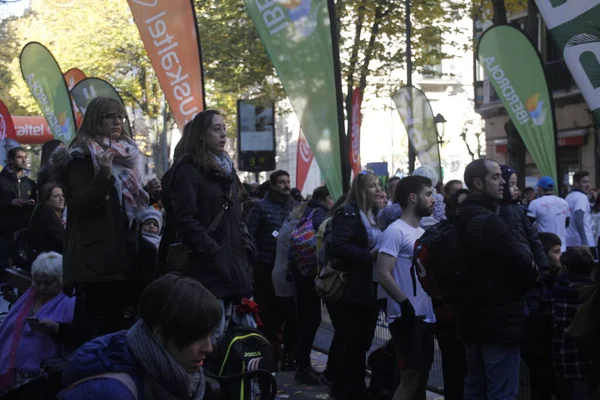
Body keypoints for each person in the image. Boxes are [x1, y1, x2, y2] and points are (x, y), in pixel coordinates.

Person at [56, 96, 157, 344]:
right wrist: (102, 175)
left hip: (122, 255)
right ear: (95, 118)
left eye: (120, 116)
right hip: (96, 261)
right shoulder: (81, 156)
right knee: (96, 330)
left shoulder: (124, 154)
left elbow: (121, 206)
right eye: (110, 116)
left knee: (117, 326)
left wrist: (150, 193)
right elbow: (80, 204)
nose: (117, 122)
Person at [60, 273, 221, 400]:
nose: (209, 347)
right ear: (160, 333)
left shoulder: (176, 375)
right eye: (196, 336)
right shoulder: (109, 393)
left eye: (210, 334)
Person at [457, 159, 538, 400]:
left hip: (471, 320)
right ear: (478, 183)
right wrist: (532, 273)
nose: (502, 181)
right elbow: (525, 266)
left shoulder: (461, 216)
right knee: (501, 393)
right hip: (499, 321)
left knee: (476, 390)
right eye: (495, 177)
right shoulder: (490, 222)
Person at [169, 110, 252, 339]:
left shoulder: (228, 170)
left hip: (233, 266)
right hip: (206, 268)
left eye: (224, 128)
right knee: (208, 337)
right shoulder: (189, 169)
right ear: (201, 135)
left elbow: (236, 217)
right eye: (217, 129)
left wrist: (245, 246)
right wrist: (213, 250)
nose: (223, 134)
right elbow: (184, 218)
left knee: (230, 337)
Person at [377, 176, 436, 400]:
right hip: (406, 318)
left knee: (421, 378)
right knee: (410, 378)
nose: (433, 199)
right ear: (413, 198)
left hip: (426, 316)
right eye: (428, 194)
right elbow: (383, 273)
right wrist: (404, 304)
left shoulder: (421, 233)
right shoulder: (395, 231)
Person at [327, 170, 382, 399]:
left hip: (370, 286)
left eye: (379, 185)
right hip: (355, 287)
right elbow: (338, 246)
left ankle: (347, 385)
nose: (378, 189)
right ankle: (350, 389)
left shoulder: (373, 213)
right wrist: (369, 255)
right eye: (372, 186)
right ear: (360, 190)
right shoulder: (349, 213)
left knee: (361, 340)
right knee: (355, 342)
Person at [0, 252, 76, 399]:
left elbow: (76, 337)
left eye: (48, 283)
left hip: (39, 378)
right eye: (38, 282)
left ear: (61, 280)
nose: (41, 288)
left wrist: (55, 328)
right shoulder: (30, 296)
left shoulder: (69, 302)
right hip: (12, 372)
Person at [246, 170, 296, 348]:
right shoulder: (260, 207)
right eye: (282, 182)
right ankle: (269, 347)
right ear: (273, 185)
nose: (286, 186)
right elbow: (249, 234)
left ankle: (287, 348)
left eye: (288, 181)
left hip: (287, 268)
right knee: (267, 309)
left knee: (288, 311)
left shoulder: (295, 207)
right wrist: (258, 258)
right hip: (266, 266)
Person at [292, 185, 333, 384]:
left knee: (306, 320)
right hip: (310, 275)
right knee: (310, 321)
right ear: (326, 198)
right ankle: (303, 367)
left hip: (301, 272)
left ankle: (302, 364)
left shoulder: (307, 212)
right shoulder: (320, 215)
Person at [546, 247, 597, 400]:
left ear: (566, 268)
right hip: (586, 364)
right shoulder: (592, 296)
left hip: (560, 361)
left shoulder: (555, 294)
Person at [271, 204, 304, 372]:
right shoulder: (296, 227)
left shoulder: (287, 224)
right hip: (288, 276)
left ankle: (287, 356)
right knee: (292, 320)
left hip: (280, 274)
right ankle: (289, 356)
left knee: (288, 319)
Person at [0, 146, 37, 267]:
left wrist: (31, 204)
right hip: (4, 234)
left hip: (24, 235)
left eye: (25, 157)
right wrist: (10, 203)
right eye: (19, 157)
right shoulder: (1, 181)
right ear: (10, 160)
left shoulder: (31, 183)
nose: (24, 160)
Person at [528, 176, 570, 253]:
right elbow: (566, 223)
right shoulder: (564, 202)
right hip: (562, 248)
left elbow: (528, 225)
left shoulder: (534, 204)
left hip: (545, 248)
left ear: (540, 188)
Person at [28, 183, 66, 258]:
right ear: (47, 201)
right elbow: (62, 241)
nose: (61, 199)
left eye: (62, 195)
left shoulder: (53, 213)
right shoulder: (46, 216)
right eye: (56, 196)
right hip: (47, 260)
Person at [565, 171, 596, 256]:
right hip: (584, 243)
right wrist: (585, 242)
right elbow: (579, 219)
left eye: (589, 182)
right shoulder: (581, 197)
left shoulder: (568, 197)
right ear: (576, 183)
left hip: (569, 242)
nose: (588, 185)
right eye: (584, 182)